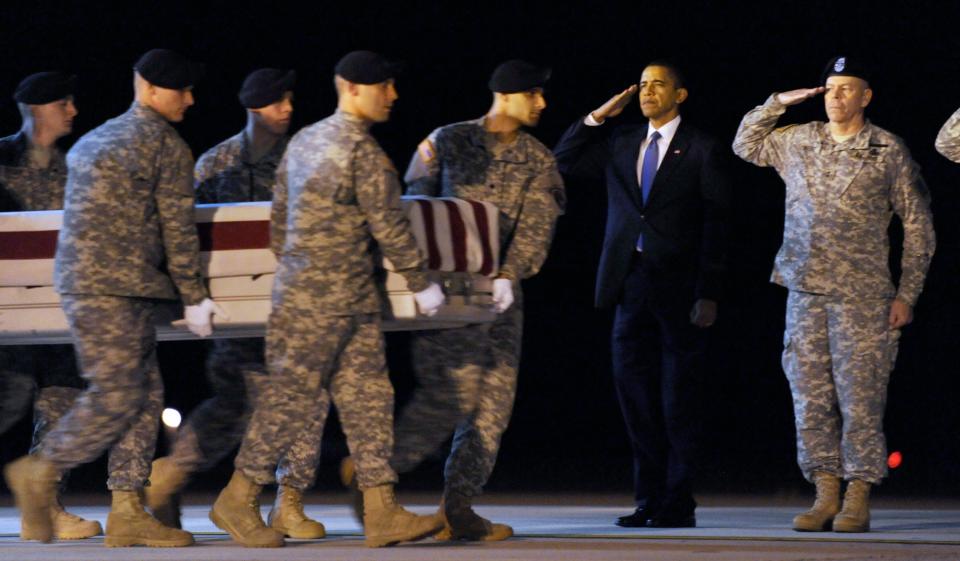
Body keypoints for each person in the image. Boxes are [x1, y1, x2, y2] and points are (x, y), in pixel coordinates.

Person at [209, 50, 445, 549]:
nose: (393, 95)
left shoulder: (303, 143)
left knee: (368, 399)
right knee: (289, 401)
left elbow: (278, 223)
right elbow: (389, 225)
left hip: (333, 298)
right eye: (384, 86)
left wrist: (304, 270)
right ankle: (237, 496)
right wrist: (420, 282)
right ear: (353, 88)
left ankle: (381, 509)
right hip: (324, 301)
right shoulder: (359, 150)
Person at [3, 48, 223, 547]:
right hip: (117, 288)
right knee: (118, 393)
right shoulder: (166, 146)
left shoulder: (92, 143)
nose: (189, 99)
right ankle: (40, 469)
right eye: (180, 89)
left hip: (90, 285)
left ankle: (127, 511)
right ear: (148, 87)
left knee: (145, 397)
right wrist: (194, 295)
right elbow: (177, 229)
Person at [345, 59, 563, 542]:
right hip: (444, 297)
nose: (543, 104)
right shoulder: (445, 141)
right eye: (534, 94)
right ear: (506, 96)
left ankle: (458, 507)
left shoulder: (538, 159)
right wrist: (417, 279)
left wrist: (511, 271)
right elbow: (413, 205)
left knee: (493, 409)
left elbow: (537, 225)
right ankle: (373, 475)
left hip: (501, 297)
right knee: (448, 398)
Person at [732, 56, 935, 533]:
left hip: (863, 295)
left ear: (866, 96)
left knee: (861, 397)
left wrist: (907, 292)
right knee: (809, 397)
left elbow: (919, 226)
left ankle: (858, 496)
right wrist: (776, 103)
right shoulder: (800, 140)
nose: (835, 97)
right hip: (804, 290)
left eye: (846, 89)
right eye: (828, 88)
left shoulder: (887, 149)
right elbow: (745, 145)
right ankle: (824, 493)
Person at [145, 68, 325, 539]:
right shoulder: (214, 163)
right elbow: (183, 231)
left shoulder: (304, 159)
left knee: (295, 398)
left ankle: (284, 501)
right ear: (252, 108)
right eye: (276, 101)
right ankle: (181, 477)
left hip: (293, 306)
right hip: (235, 311)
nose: (287, 108)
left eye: (289, 99)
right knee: (246, 403)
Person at [554, 61, 730, 528]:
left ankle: (678, 501)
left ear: (681, 94)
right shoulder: (621, 140)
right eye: (644, 85)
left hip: (679, 287)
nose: (649, 91)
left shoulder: (702, 148)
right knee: (635, 396)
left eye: (659, 84)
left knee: (677, 399)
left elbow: (717, 224)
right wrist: (598, 117)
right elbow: (563, 160)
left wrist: (709, 291)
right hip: (628, 283)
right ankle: (648, 498)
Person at [0, 71, 101, 540]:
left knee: (62, 399)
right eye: (66, 103)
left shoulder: (75, 165)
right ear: (39, 109)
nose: (74, 112)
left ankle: (45, 507)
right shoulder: (0, 159)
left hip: (60, 309)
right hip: (5, 310)